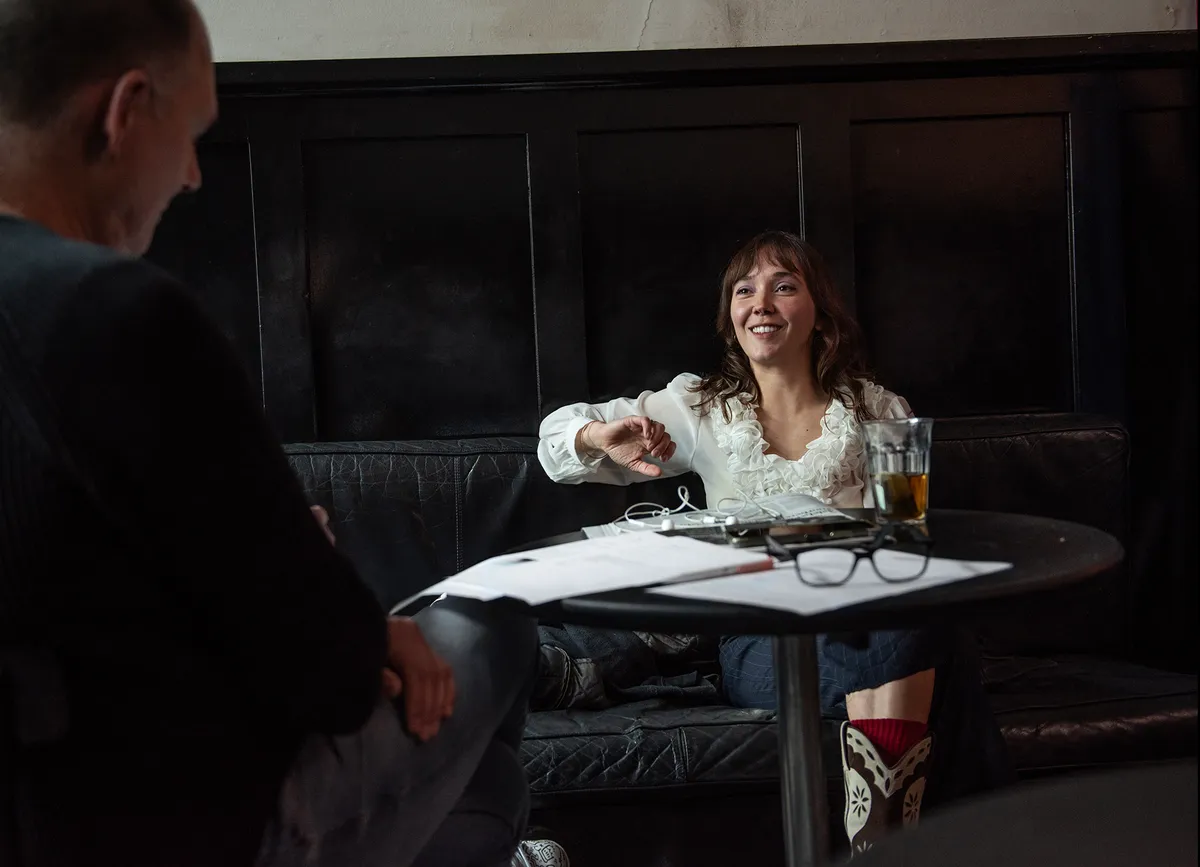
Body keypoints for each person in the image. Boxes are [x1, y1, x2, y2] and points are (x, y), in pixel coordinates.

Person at [0, 2, 564, 865]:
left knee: (489, 790)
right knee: (493, 628)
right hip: (158, 816)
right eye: (192, 136)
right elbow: (326, 677)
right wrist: (345, 603)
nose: (193, 175)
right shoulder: (111, 309)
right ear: (126, 111)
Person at [538, 230, 1012, 853]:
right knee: (938, 645)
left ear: (820, 312)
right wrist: (598, 437)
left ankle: (881, 845)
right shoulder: (702, 408)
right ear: (731, 316)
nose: (760, 303)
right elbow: (555, 443)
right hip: (761, 641)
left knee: (915, 624)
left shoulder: (877, 411)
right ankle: (977, 844)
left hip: (864, 619)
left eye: (784, 287)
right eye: (745, 291)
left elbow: (905, 538)